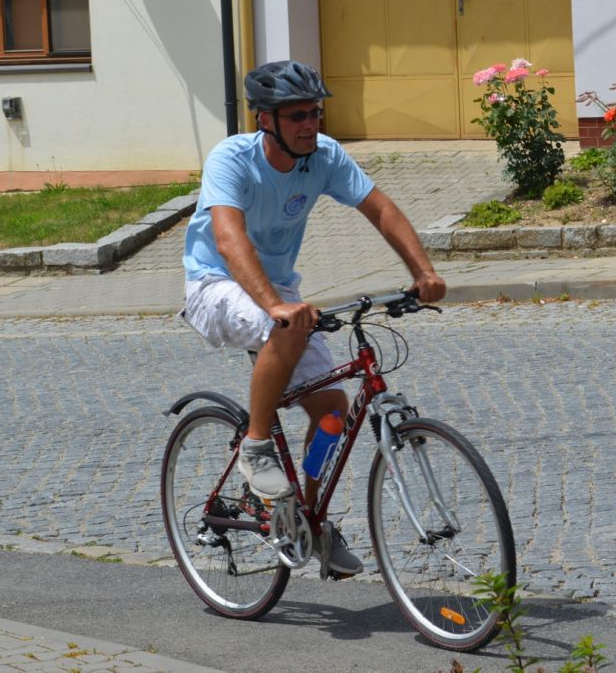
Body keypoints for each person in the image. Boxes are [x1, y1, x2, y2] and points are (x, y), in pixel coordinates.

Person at [181, 59, 447, 578]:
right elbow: (229, 238)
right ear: (265, 119)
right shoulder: (231, 158)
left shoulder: (324, 156)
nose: (311, 124)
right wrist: (275, 305)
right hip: (215, 282)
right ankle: (256, 447)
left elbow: (381, 209)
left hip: (276, 290)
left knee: (330, 409)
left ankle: (307, 515)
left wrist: (423, 272)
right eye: (297, 115)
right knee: (283, 325)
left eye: (315, 113)